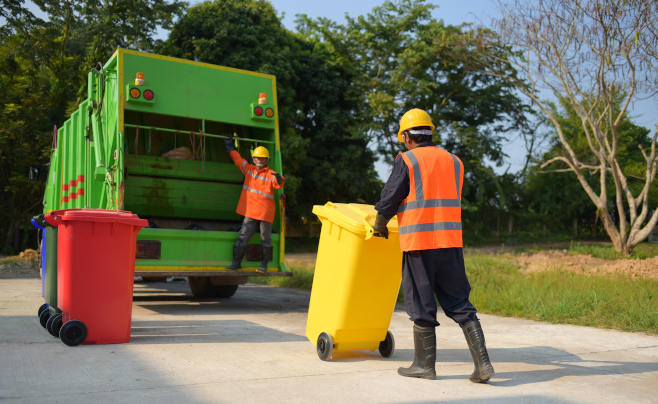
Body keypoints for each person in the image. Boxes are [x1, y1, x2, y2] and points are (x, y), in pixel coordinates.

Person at [372, 109, 494, 383]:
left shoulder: (408, 160)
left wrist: (380, 223)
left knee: (421, 302)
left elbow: (391, 196)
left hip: (419, 242)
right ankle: (483, 364)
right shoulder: (454, 161)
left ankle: (424, 366)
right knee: (460, 302)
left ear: (406, 136)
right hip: (450, 242)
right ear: (429, 132)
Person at [224, 139, 284, 273]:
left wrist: (280, 180)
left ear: (267, 160)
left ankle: (263, 266)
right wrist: (229, 146)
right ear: (253, 158)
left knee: (266, 239)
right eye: (257, 157)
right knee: (242, 236)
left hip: (265, 214)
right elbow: (237, 159)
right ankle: (236, 263)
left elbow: (277, 183)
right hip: (251, 212)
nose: (259, 160)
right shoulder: (248, 169)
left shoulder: (271, 174)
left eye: (262, 158)